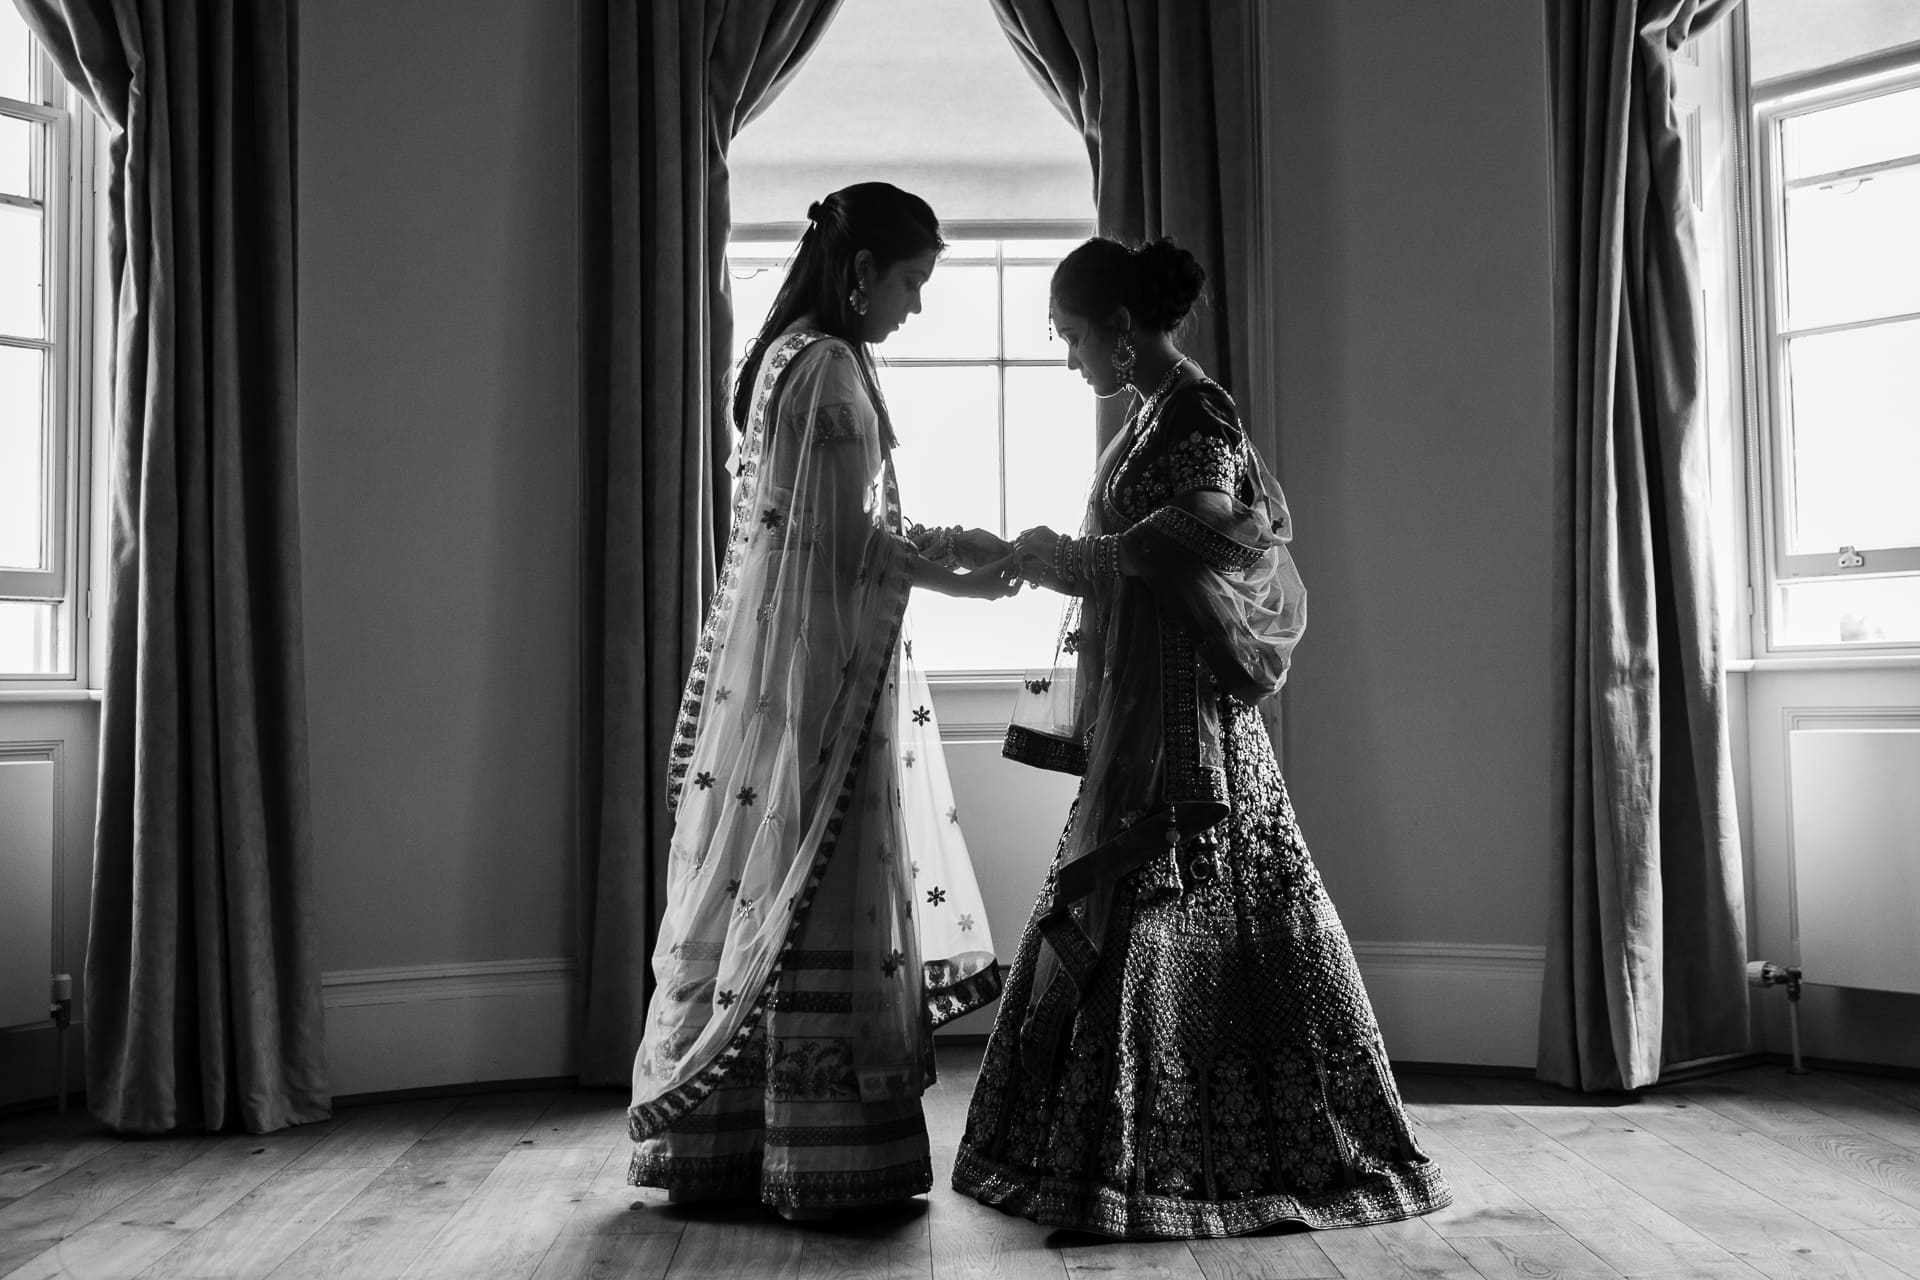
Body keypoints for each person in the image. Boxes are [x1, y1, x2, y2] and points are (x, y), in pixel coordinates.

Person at [950, 236, 1452, 1238]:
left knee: (1165, 901)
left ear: (1126, 335)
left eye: (1074, 338)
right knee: (1118, 907)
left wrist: (1080, 554)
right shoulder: (1150, 418)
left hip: (1193, 727)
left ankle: (1167, 1164)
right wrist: (1048, 559)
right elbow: (1146, 550)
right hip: (1148, 709)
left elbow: (1217, 529)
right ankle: (1109, 1155)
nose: (1071, 359)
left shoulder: (1197, 411)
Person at [627, 182, 1017, 1220]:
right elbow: (846, 548)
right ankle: (822, 1149)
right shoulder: (834, 371)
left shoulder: (781, 357)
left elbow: (807, 538)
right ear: (862, 272)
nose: (916, 307)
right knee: (820, 882)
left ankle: (726, 1143)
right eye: (912, 282)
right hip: (824, 683)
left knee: (776, 880)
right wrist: (963, 568)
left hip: (782, 679)